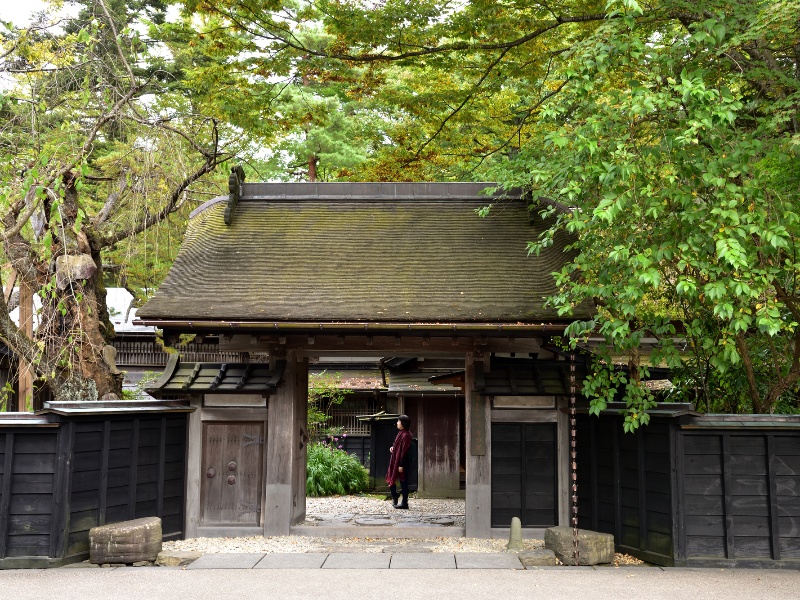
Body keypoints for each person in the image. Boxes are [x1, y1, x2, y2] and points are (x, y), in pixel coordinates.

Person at [385, 414, 412, 509]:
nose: (397, 423)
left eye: (398, 421)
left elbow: (405, 451)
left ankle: (405, 503)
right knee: (391, 477)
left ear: (403, 423)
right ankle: (395, 495)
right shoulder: (401, 433)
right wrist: (393, 448)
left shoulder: (406, 435)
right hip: (396, 460)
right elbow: (398, 446)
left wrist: (401, 465)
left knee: (404, 482)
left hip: (402, 462)